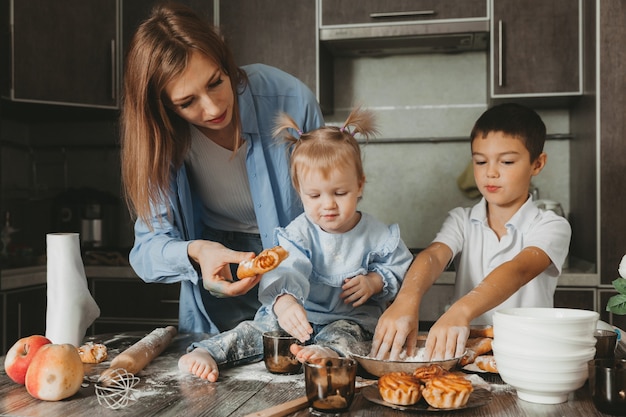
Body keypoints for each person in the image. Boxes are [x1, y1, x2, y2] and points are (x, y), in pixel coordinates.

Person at [120, 2, 324, 335]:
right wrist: (197, 251)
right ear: (164, 108)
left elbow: (330, 209)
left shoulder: (289, 99)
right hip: (220, 272)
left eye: (215, 82)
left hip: (300, 271)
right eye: (188, 102)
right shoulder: (161, 140)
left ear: (225, 61)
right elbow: (147, 251)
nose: (213, 107)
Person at [178, 107, 414, 381]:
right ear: (299, 189)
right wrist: (286, 303)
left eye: (340, 192)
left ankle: (327, 354)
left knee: (348, 338)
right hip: (299, 315)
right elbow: (286, 267)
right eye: (314, 195)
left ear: (360, 185)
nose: (328, 205)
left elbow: (399, 267)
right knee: (257, 330)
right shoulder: (299, 232)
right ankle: (210, 352)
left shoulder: (376, 234)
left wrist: (375, 281)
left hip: (348, 319)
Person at [370, 103, 572, 362]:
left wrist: (461, 310)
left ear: (537, 163)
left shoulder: (551, 225)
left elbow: (518, 269)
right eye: (480, 161)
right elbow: (433, 256)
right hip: (466, 358)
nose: (491, 172)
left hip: (529, 358)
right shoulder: (462, 220)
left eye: (507, 161)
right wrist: (407, 299)